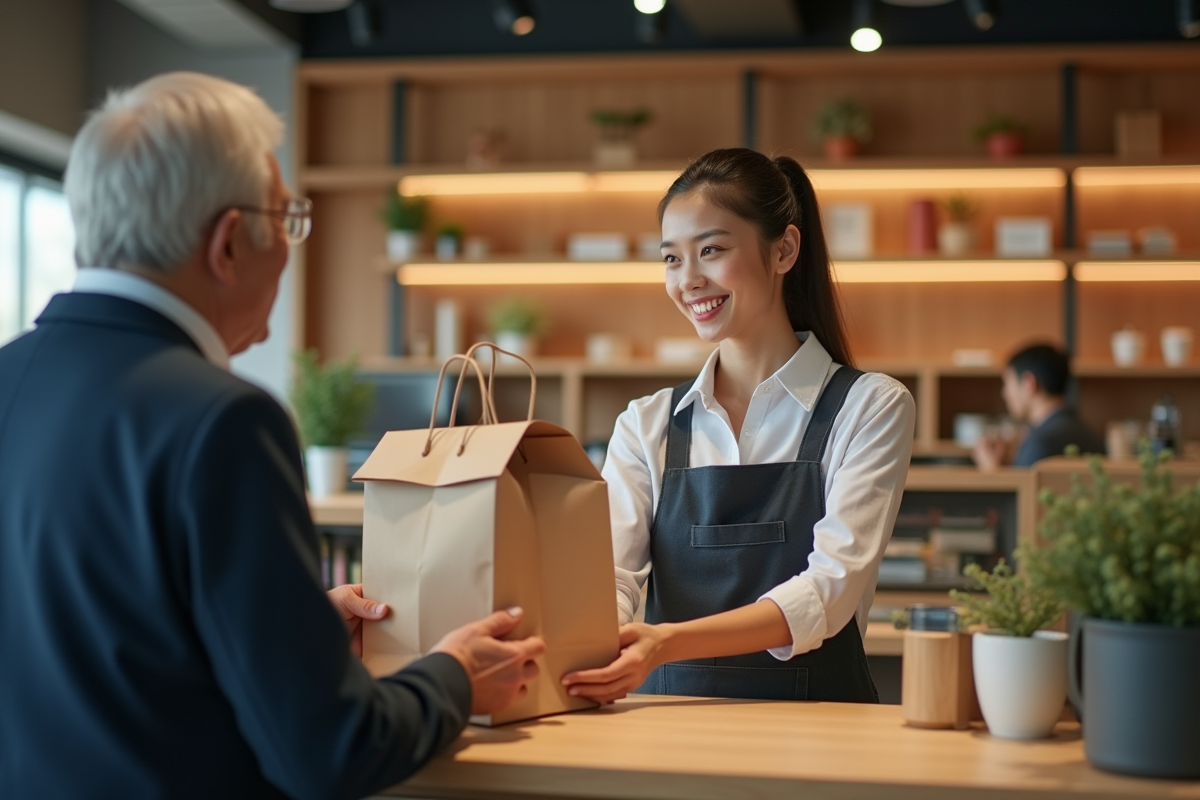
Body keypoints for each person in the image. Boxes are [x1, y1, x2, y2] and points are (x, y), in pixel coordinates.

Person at [0, 72, 544, 799]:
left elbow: (79, 634)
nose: (291, 248)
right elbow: (330, 752)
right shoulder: (222, 420)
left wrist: (287, 634)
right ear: (229, 243)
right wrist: (455, 676)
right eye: (287, 220)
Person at [562, 148, 915, 705]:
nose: (689, 280)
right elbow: (612, 577)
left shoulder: (870, 407)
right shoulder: (648, 423)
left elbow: (830, 591)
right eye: (672, 259)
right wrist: (599, 634)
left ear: (784, 249)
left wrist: (664, 643)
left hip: (822, 729)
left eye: (711, 250)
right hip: (666, 723)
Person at [973, 343, 1105, 470]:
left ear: (1029, 383)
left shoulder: (1040, 443)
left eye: (1007, 383)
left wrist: (991, 471)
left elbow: (1024, 492)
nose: (1005, 393)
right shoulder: (1090, 435)